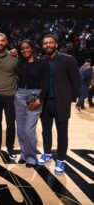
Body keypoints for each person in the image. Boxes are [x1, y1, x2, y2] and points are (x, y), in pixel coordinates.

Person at [37, 34, 81, 175]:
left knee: (62, 133)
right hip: (45, 102)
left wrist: (72, 99)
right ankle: (47, 153)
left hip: (61, 102)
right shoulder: (41, 61)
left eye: (50, 43)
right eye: (45, 43)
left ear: (56, 44)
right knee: (46, 131)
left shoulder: (67, 59)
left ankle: (61, 159)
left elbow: (76, 81)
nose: (48, 45)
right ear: (43, 46)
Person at [14, 40, 49, 168]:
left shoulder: (42, 62)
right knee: (21, 129)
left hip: (35, 96)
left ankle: (31, 157)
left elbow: (46, 84)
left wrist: (39, 100)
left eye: (27, 48)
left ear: (32, 48)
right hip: (19, 95)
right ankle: (23, 154)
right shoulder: (19, 62)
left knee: (29, 130)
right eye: (22, 49)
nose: (25, 50)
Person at [0, 33, 18, 159]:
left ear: (6, 42)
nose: (0, 43)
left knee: (11, 124)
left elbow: (19, 74)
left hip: (10, 96)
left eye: (2, 41)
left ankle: (10, 148)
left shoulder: (14, 57)